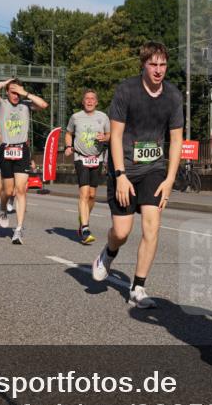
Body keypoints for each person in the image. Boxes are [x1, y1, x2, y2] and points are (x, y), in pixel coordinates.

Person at [91, 42, 183, 308]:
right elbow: (116, 136)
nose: (158, 70)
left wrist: (169, 180)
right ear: (143, 64)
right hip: (125, 169)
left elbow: (176, 140)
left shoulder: (173, 96)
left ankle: (138, 288)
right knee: (121, 231)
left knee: (152, 226)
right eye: (153, 64)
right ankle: (108, 253)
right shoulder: (127, 90)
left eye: (162, 65)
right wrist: (119, 175)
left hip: (154, 170)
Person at [0, 78, 48, 244]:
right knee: (8, 191)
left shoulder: (26, 105)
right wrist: (5, 82)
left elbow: (44, 105)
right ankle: (2, 206)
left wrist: (24, 93)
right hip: (6, 149)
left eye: (18, 92)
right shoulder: (1, 104)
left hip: (22, 150)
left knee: (20, 190)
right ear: (7, 92)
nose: (16, 95)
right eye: (12, 92)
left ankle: (19, 229)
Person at [65, 89, 110, 244]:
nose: (90, 101)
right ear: (83, 102)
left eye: (92, 99)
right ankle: (85, 228)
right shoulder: (75, 117)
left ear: (96, 102)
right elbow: (68, 133)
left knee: (92, 195)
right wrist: (68, 146)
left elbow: (110, 135)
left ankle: (83, 218)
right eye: (87, 99)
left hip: (97, 159)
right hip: (80, 157)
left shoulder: (103, 117)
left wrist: (105, 137)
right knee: (84, 193)